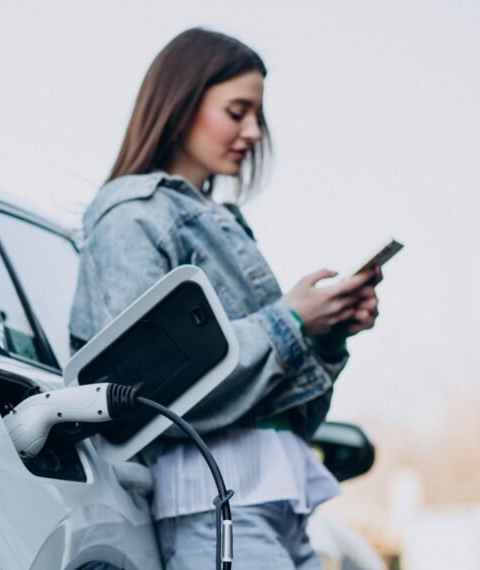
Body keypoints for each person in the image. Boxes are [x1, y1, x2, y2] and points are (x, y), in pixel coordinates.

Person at [69, 28, 381, 569]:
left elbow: (286, 415)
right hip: (216, 508)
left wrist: (326, 337)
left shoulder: (224, 223)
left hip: (271, 507)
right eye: (237, 112)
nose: (254, 132)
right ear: (182, 103)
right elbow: (148, 388)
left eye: (256, 116)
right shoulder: (131, 215)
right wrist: (288, 322)